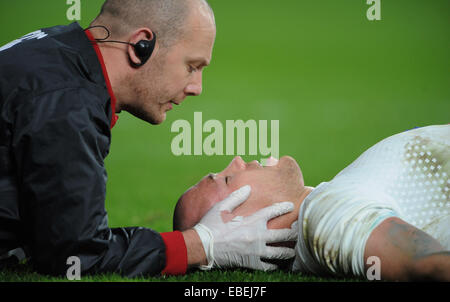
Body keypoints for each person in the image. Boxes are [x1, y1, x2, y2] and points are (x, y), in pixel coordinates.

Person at [0, 0, 297, 277]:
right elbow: (74, 254)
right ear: (141, 46)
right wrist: (202, 244)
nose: (197, 87)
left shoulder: (58, 51)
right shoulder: (67, 103)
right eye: (191, 67)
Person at [173, 125, 450, 281]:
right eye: (225, 180)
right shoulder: (326, 218)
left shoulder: (325, 204)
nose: (236, 161)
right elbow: (431, 266)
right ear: (242, 230)